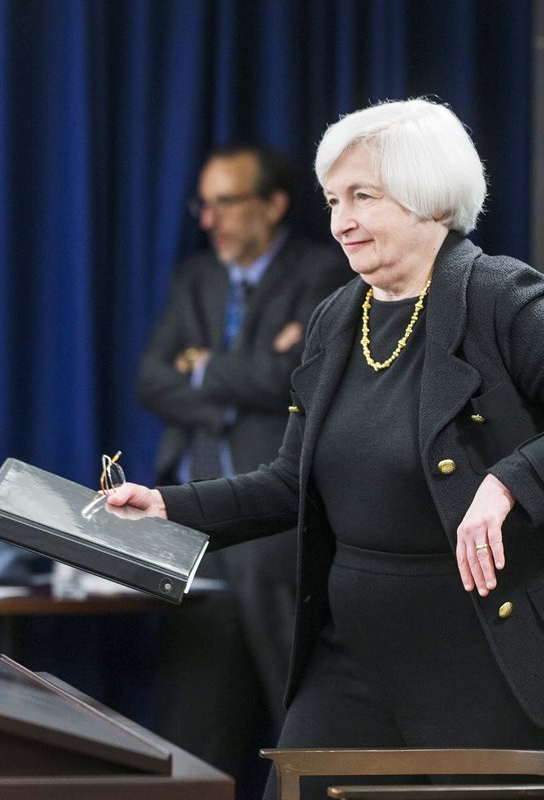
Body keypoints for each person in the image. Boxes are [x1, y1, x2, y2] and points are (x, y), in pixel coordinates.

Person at [112, 98, 544, 800]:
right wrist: (166, 506)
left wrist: (507, 483)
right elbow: (291, 483)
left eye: (362, 197)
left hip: (480, 655)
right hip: (352, 658)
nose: (340, 220)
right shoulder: (339, 316)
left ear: (428, 200)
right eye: (333, 199)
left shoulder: (497, 296)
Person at [136, 143, 348, 795]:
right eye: (205, 203)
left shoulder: (322, 274)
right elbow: (149, 377)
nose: (210, 218)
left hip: (271, 530)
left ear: (274, 204)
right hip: (191, 536)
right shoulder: (196, 277)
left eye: (226, 201)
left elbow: (300, 376)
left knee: (297, 720)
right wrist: (238, 388)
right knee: (196, 729)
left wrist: (201, 369)